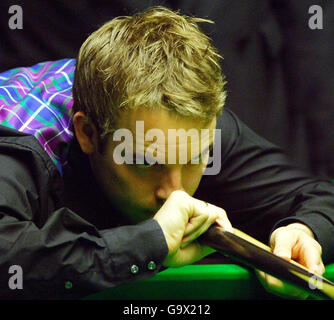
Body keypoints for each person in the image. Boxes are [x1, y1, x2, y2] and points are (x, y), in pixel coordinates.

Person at [0, 6, 333, 300]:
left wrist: (303, 231)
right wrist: (152, 241)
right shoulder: (22, 139)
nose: (174, 193)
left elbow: (318, 197)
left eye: (194, 160)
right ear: (88, 133)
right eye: (145, 161)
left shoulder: (193, 130)